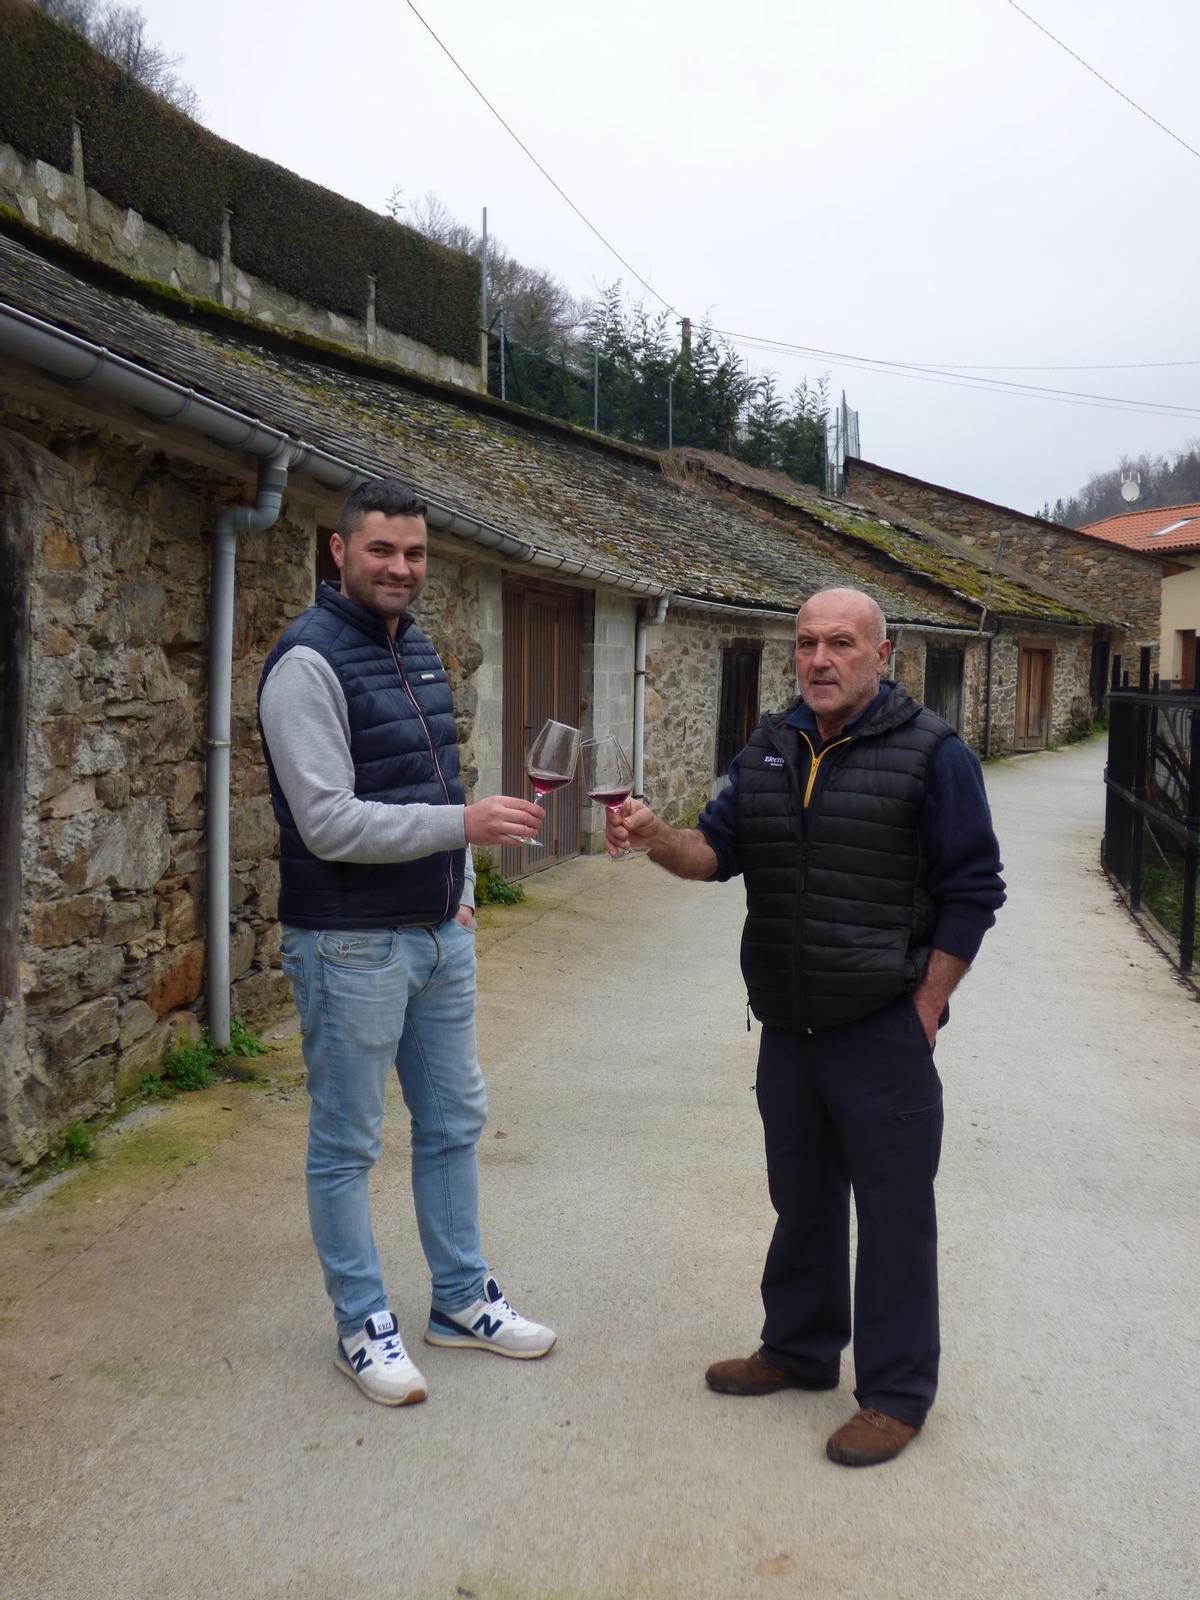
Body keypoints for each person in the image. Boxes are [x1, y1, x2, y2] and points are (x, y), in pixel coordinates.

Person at [607, 587, 1005, 1466]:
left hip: (880, 1029)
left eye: (840, 644)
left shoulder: (934, 754)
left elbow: (975, 891)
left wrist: (928, 1007)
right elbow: (717, 851)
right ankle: (798, 1349)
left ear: (882, 654)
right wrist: (653, 835)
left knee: (894, 1215)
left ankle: (897, 1394)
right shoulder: (771, 743)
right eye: (806, 645)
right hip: (789, 1028)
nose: (819, 660)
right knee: (802, 1201)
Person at [258, 478, 556, 1407]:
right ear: (338, 552)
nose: (401, 568)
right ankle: (362, 1326)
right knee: (348, 1143)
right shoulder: (304, 663)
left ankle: (460, 1301)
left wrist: (459, 889)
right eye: (382, 550)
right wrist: (463, 833)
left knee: (454, 1123)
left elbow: (435, 775)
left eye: (416, 553)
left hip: (435, 936)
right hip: (348, 944)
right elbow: (329, 824)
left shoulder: (416, 645)